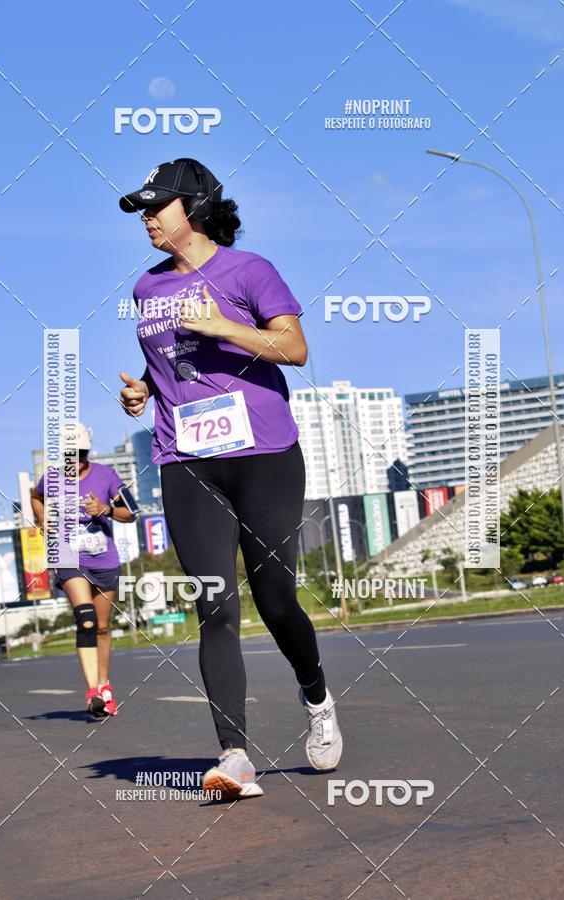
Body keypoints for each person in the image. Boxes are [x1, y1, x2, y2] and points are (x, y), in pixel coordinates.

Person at [118, 158, 343, 800]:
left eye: (156, 207)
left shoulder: (250, 271)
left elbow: (293, 349)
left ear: (193, 207)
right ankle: (234, 756)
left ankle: (317, 696)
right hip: (187, 459)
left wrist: (222, 326)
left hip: (264, 453)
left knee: (274, 599)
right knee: (214, 604)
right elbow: (168, 363)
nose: (147, 219)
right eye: (142, 210)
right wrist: (141, 394)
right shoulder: (147, 289)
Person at [30, 423, 137, 718]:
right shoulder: (52, 479)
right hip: (69, 558)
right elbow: (35, 496)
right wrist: (41, 519)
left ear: (88, 451)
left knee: (102, 627)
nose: (74, 459)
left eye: (80, 453)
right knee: (86, 619)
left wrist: (106, 509)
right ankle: (92, 690)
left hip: (104, 560)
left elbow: (132, 513)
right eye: (68, 454)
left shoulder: (108, 476)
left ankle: (104, 686)